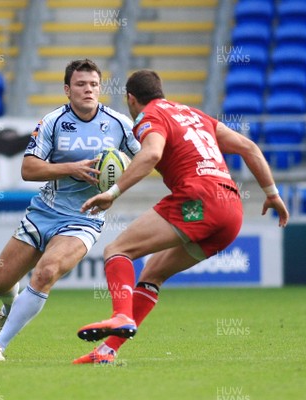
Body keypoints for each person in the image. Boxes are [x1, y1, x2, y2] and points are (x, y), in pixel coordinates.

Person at [73, 69, 289, 364]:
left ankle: (121, 314)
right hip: (231, 211)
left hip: (198, 199)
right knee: (153, 274)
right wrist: (273, 194)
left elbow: (150, 155)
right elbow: (248, 147)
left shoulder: (149, 116)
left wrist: (112, 193)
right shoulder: (195, 115)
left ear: (131, 99)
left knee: (117, 250)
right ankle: (107, 352)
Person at [0, 59, 140, 361]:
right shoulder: (53, 121)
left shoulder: (119, 123)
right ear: (67, 90)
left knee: (46, 272)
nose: (88, 90)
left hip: (83, 218)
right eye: (81, 84)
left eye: (94, 84)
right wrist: (71, 169)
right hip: (43, 212)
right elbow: (28, 169)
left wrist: (116, 188)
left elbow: (147, 157)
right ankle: (8, 306)